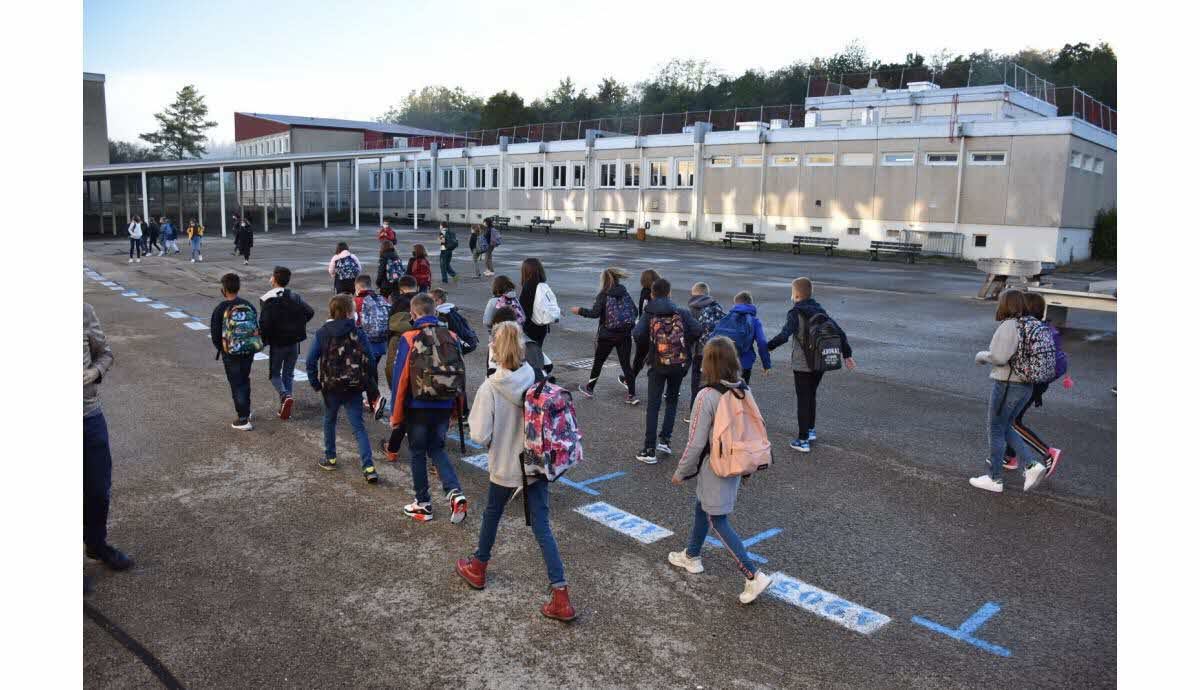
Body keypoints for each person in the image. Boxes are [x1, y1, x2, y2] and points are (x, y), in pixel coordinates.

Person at [456, 321, 576, 622]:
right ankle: (560, 593)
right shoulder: (534, 377)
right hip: (536, 464)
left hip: (506, 466)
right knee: (542, 526)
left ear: (494, 350)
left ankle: (479, 565)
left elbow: (479, 435)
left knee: (492, 513)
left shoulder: (491, 388)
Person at [667, 336, 774, 605]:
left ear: (708, 363)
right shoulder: (742, 390)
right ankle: (692, 555)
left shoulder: (706, 396)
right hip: (736, 462)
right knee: (703, 507)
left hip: (715, 464)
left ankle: (753, 575)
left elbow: (695, 442)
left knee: (717, 519)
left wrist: (681, 471)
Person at [388, 294, 469, 523]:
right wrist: (458, 407)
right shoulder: (451, 335)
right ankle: (454, 492)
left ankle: (423, 503)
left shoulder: (409, 337)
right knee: (438, 449)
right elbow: (460, 373)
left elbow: (401, 378)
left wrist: (396, 415)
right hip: (444, 402)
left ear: (413, 314)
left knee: (417, 452)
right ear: (435, 312)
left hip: (417, 405)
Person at [969, 289, 1050, 494]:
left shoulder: (1009, 326)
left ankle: (995, 478)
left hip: (1007, 385)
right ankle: (1032, 465)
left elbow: (999, 357)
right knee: (1006, 426)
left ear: (1005, 305)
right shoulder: (1031, 324)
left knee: (996, 429)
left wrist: (981, 356)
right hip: (1026, 385)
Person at [766, 278, 855, 453]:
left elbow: (784, 335)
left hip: (802, 364)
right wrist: (847, 354)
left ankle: (802, 439)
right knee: (811, 395)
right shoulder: (819, 309)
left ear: (796, 294)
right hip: (820, 362)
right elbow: (839, 332)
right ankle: (811, 429)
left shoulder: (795, 313)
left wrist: (768, 347)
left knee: (803, 400)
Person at [84, 304, 133, 592]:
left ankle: (96, 544)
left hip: (88, 414)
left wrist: (95, 373)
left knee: (99, 489)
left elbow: (106, 353)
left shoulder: (84, 311)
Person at [306, 295, 380, 483]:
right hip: (353, 386)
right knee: (358, 427)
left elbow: (310, 360)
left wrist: (315, 382)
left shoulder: (323, 332)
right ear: (349, 312)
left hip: (331, 386)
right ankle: (368, 467)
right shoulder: (358, 332)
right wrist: (366, 382)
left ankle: (330, 457)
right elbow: (370, 360)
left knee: (329, 421)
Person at [632, 278, 701, 464]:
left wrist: (653, 345)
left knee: (653, 406)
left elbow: (637, 334)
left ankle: (649, 449)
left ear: (652, 294)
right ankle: (665, 440)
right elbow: (697, 330)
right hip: (678, 364)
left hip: (658, 363)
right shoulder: (681, 312)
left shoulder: (649, 313)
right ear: (669, 293)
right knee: (672, 400)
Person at [1000, 292, 1065, 476]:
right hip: (1040, 381)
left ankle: (1047, 452)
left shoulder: (1027, 330)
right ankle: (1009, 456)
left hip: (1027, 383)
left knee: (1010, 422)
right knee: (1014, 419)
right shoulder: (1044, 329)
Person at [571, 267, 639, 405]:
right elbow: (635, 311)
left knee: (598, 362)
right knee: (626, 364)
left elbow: (594, 313)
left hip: (607, 335)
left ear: (604, 280)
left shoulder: (603, 295)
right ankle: (632, 395)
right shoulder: (624, 292)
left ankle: (589, 388)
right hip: (624, 334)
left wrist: (579, 311)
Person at [259, 266, 315, 420]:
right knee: (288, 373)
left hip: (278, 343)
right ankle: (286, 405)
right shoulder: (294, 296)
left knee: (274, 374)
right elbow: (309, 312)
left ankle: (285, 397)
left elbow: (265, 323)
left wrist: (264, 340)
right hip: (294, 342)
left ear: (274, 279)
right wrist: (298, 324)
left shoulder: (266, 298)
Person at [210, 273, 261, 430]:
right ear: (238, 287)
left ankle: (243, 419)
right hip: (248, 350)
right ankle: (246, 410)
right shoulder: (248, 305)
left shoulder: (220, 309)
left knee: (236, 384)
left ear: (223, 290)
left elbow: (215, 334)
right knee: (245, 379)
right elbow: (255, 327)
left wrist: (223, 349)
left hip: (230, 353)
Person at [379, 276, 421, 463]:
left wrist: (396, 392)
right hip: (435, 390)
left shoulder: (403, 334)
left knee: (404, 408)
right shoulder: (440, 329)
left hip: (408, 388)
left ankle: (392, 449)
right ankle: (437, 463)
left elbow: (391, 369)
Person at [710, 291, 771, 384]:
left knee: (724, 392)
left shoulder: (726, 318)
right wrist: (766, 364)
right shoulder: (754, 321)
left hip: (723, 362)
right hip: (744, 363)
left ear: (735, 304)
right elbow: (762, 342)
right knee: (741, 393)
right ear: (751, 304)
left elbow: (713, 337)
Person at [353, 274, 390, 419]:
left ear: (357, 286)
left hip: (365, 343)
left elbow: (354, 323)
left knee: (365, 373)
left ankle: (375, 400)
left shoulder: (357, 301)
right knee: (371, 371)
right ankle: (372, 400)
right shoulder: (382, 299)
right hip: (381, 343)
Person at [686, 282, 726, 411]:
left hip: (699, 350)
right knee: (712, 380)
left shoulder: (692, 309)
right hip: (715, 349)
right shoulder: (716, 306)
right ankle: (712, 410)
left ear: (694, 293)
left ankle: (695, 409)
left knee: (696, 381)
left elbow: (689, 331)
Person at [626, 268, 662, 387]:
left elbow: (644, 310)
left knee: (640, 355)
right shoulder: (660, 292)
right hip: (657, 328)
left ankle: (630, 379)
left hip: (646, 328)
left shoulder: (646, 292)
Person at [519, 258, 559, 349]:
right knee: (537, 351)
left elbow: (524, 310)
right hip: (542, 325)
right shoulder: (543, 285)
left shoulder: (528, 286)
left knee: (531, 355)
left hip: (530, 327)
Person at [431, 287, 479, 355]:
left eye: (430, 301)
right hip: (464, 342)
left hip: (454, 346)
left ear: (438, 301)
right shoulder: (452, 310)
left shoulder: (442, 314)